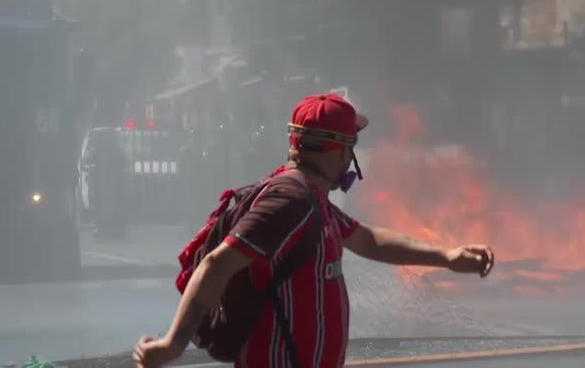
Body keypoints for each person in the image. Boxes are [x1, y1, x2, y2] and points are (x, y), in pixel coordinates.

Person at [133, 93, 495, 368]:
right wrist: (172, 345)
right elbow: (216, 264)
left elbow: (369, 241)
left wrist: (447, 257)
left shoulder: (313, 202)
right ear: (340, 152)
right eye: (351, 145)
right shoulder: (289, 201)